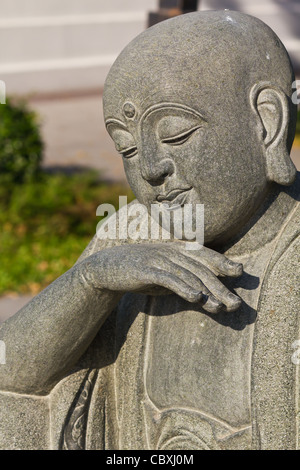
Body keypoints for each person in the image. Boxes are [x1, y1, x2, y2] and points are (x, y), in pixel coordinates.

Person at [0, 10, 299, 450]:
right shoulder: (130, 235)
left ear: (266, 123)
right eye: (129, 147)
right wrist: (91, 282)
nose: (151, 169)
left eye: (176, 135)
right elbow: (11, 377)